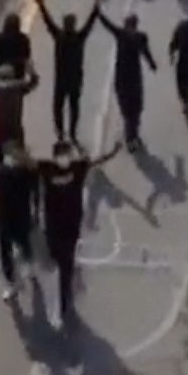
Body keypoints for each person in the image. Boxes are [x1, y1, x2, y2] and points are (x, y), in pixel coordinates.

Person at [37, 138, 119, 325]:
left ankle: (64, 301)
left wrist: (114, 151)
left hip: (70, 225)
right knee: (52, 261)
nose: (64, 159)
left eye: (66, 155)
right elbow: (29, 165)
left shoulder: (78, 167)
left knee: (66, 265)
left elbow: (97, 160)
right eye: (61, 155)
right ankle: (53, 290)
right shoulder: (47, 168)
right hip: (53, 225)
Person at [37, 0, 100, 143]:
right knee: (74, 107)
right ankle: (72, 132)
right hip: (76, 80)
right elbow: (90, 24)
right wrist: (96, 9)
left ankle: (60, 131)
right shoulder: (79, 37)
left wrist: (41, 5)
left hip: (60, 79)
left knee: (58, 107)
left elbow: (48, 22)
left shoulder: (59, 36)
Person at [96, 7, 157, 146]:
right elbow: (146, 53)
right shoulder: (141, 37)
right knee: (135, 109)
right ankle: (132, 135)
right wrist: (152, 64)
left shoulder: (121, 34)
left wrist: (97, 12)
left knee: (127, 109)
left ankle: (131, 135)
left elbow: (108, 25)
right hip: (134, 79)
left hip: (121, 78)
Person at [0, 139, 38, 299]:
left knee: (17, 246)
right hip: (8, 218)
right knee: (10, 250)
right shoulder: (5, 173)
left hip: (15, 217)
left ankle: (25, 270)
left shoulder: (12, 173)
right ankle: (13, 280)